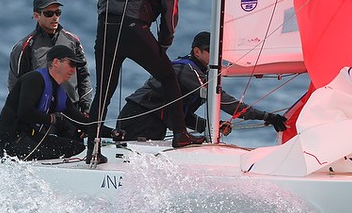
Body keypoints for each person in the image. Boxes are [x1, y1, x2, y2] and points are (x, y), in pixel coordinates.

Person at [87, 0, 204, 158]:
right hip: (135, 29)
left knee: (104, 91)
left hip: (107, 27)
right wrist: (163, 44)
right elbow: (170, 15)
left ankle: (92, 149)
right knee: (168, 76)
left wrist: (110, 5)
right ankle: (181, 135)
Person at [116, 31, 288, 141]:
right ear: (197, 51)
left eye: (220, 52)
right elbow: (227, 104)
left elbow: (182, 115)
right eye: (212, 52)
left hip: (150, 123)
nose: (218, 57)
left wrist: (211, 126)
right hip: (138, 121)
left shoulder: (198, 73)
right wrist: (267, 117)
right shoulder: (186, 70)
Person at [8, 0, 92, 140]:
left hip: (71, 111)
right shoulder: (25, 46)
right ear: (36, 15)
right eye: (48, 13)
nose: (55, 17)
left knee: (73, 154)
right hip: (43, 115)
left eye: (58, 13)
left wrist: (86, 110)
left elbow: (84, 76)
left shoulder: (73, 40)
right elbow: (16, 84)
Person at [0, 45, 89, 161]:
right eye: (71, 64)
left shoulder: (59, 93)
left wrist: (114, 133)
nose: (73, 70)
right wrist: (52, 119)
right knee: (68, 147)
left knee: (76, 147)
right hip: (10, 142)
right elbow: (25, 112)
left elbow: (82, 122)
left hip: (30, 137)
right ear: (56, 62)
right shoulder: (34, 79)